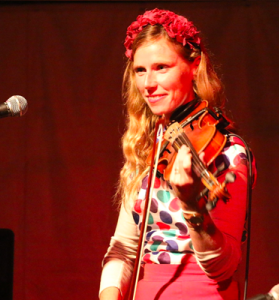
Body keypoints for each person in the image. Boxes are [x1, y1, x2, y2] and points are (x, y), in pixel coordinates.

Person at [99, 8, 256, 300]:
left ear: (194, 65)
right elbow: (123, 247)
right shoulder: (146, 146)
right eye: (140, 70)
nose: (148, 84)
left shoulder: (229, 151)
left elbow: (223, 267)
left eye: (161, 67)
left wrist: (193, 206)